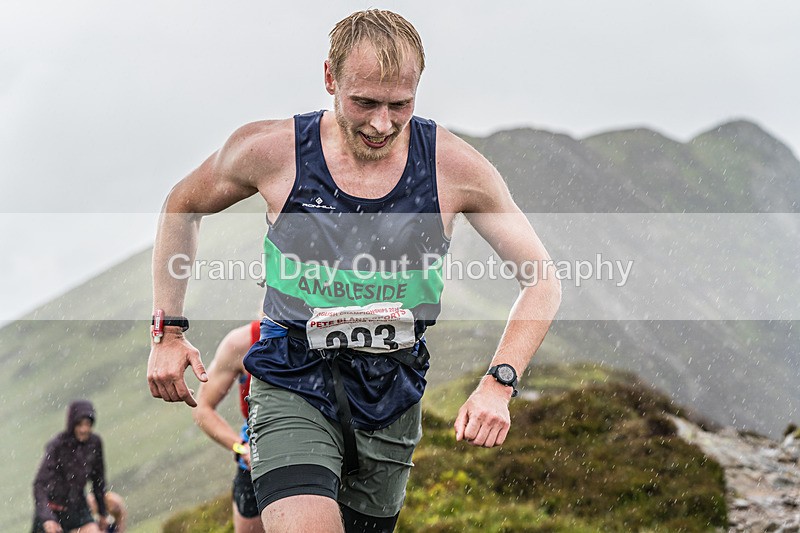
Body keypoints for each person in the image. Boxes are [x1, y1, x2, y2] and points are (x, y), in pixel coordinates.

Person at [147, 9, 561, 533]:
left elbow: (542, 280)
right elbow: (182, 204)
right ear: (329, 79)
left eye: (400, 105)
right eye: (364, 102)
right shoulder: (273, 151)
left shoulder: (454, 168)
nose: (381, 124)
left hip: (392, 392)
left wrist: (499, 384)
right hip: (291, 375)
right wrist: (168, 330)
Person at [192, 321, 264, 533]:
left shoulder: (327, 329)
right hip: (254, 463)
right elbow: (202, 408)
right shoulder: (242, 342)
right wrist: (241, 448)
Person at [32, 400, 110, 533]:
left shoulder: (94, 444)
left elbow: (98, 482)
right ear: (72, 424)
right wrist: (47, 518)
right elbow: (39, 484)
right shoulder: (57, 446)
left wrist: (103, 513)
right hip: (52, 509)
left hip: (77, 507)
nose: (84, 429)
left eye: (88, 424)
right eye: (79, 424)